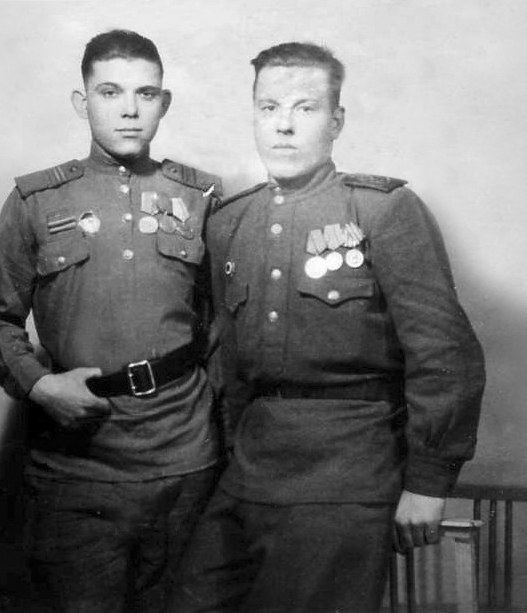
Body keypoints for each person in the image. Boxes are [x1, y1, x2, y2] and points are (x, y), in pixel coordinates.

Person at [168, 42, 485, 613]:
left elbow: (445, 354)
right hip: (249, 475)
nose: (283, 126)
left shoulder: (384, 210)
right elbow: (228, 364)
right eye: (268, 108)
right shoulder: (231, 222)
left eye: (305, 108)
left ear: (336, 121)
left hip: (347, 477)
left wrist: (428, 481)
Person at [0, 29, 223, 613]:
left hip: (186, 461)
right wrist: (40, 386)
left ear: (164, 102)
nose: (130, 109)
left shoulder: (202, 197)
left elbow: (224, 328)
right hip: (76, 469)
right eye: (110, 92)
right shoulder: (36, 202)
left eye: (145, 93)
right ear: (82, 102)